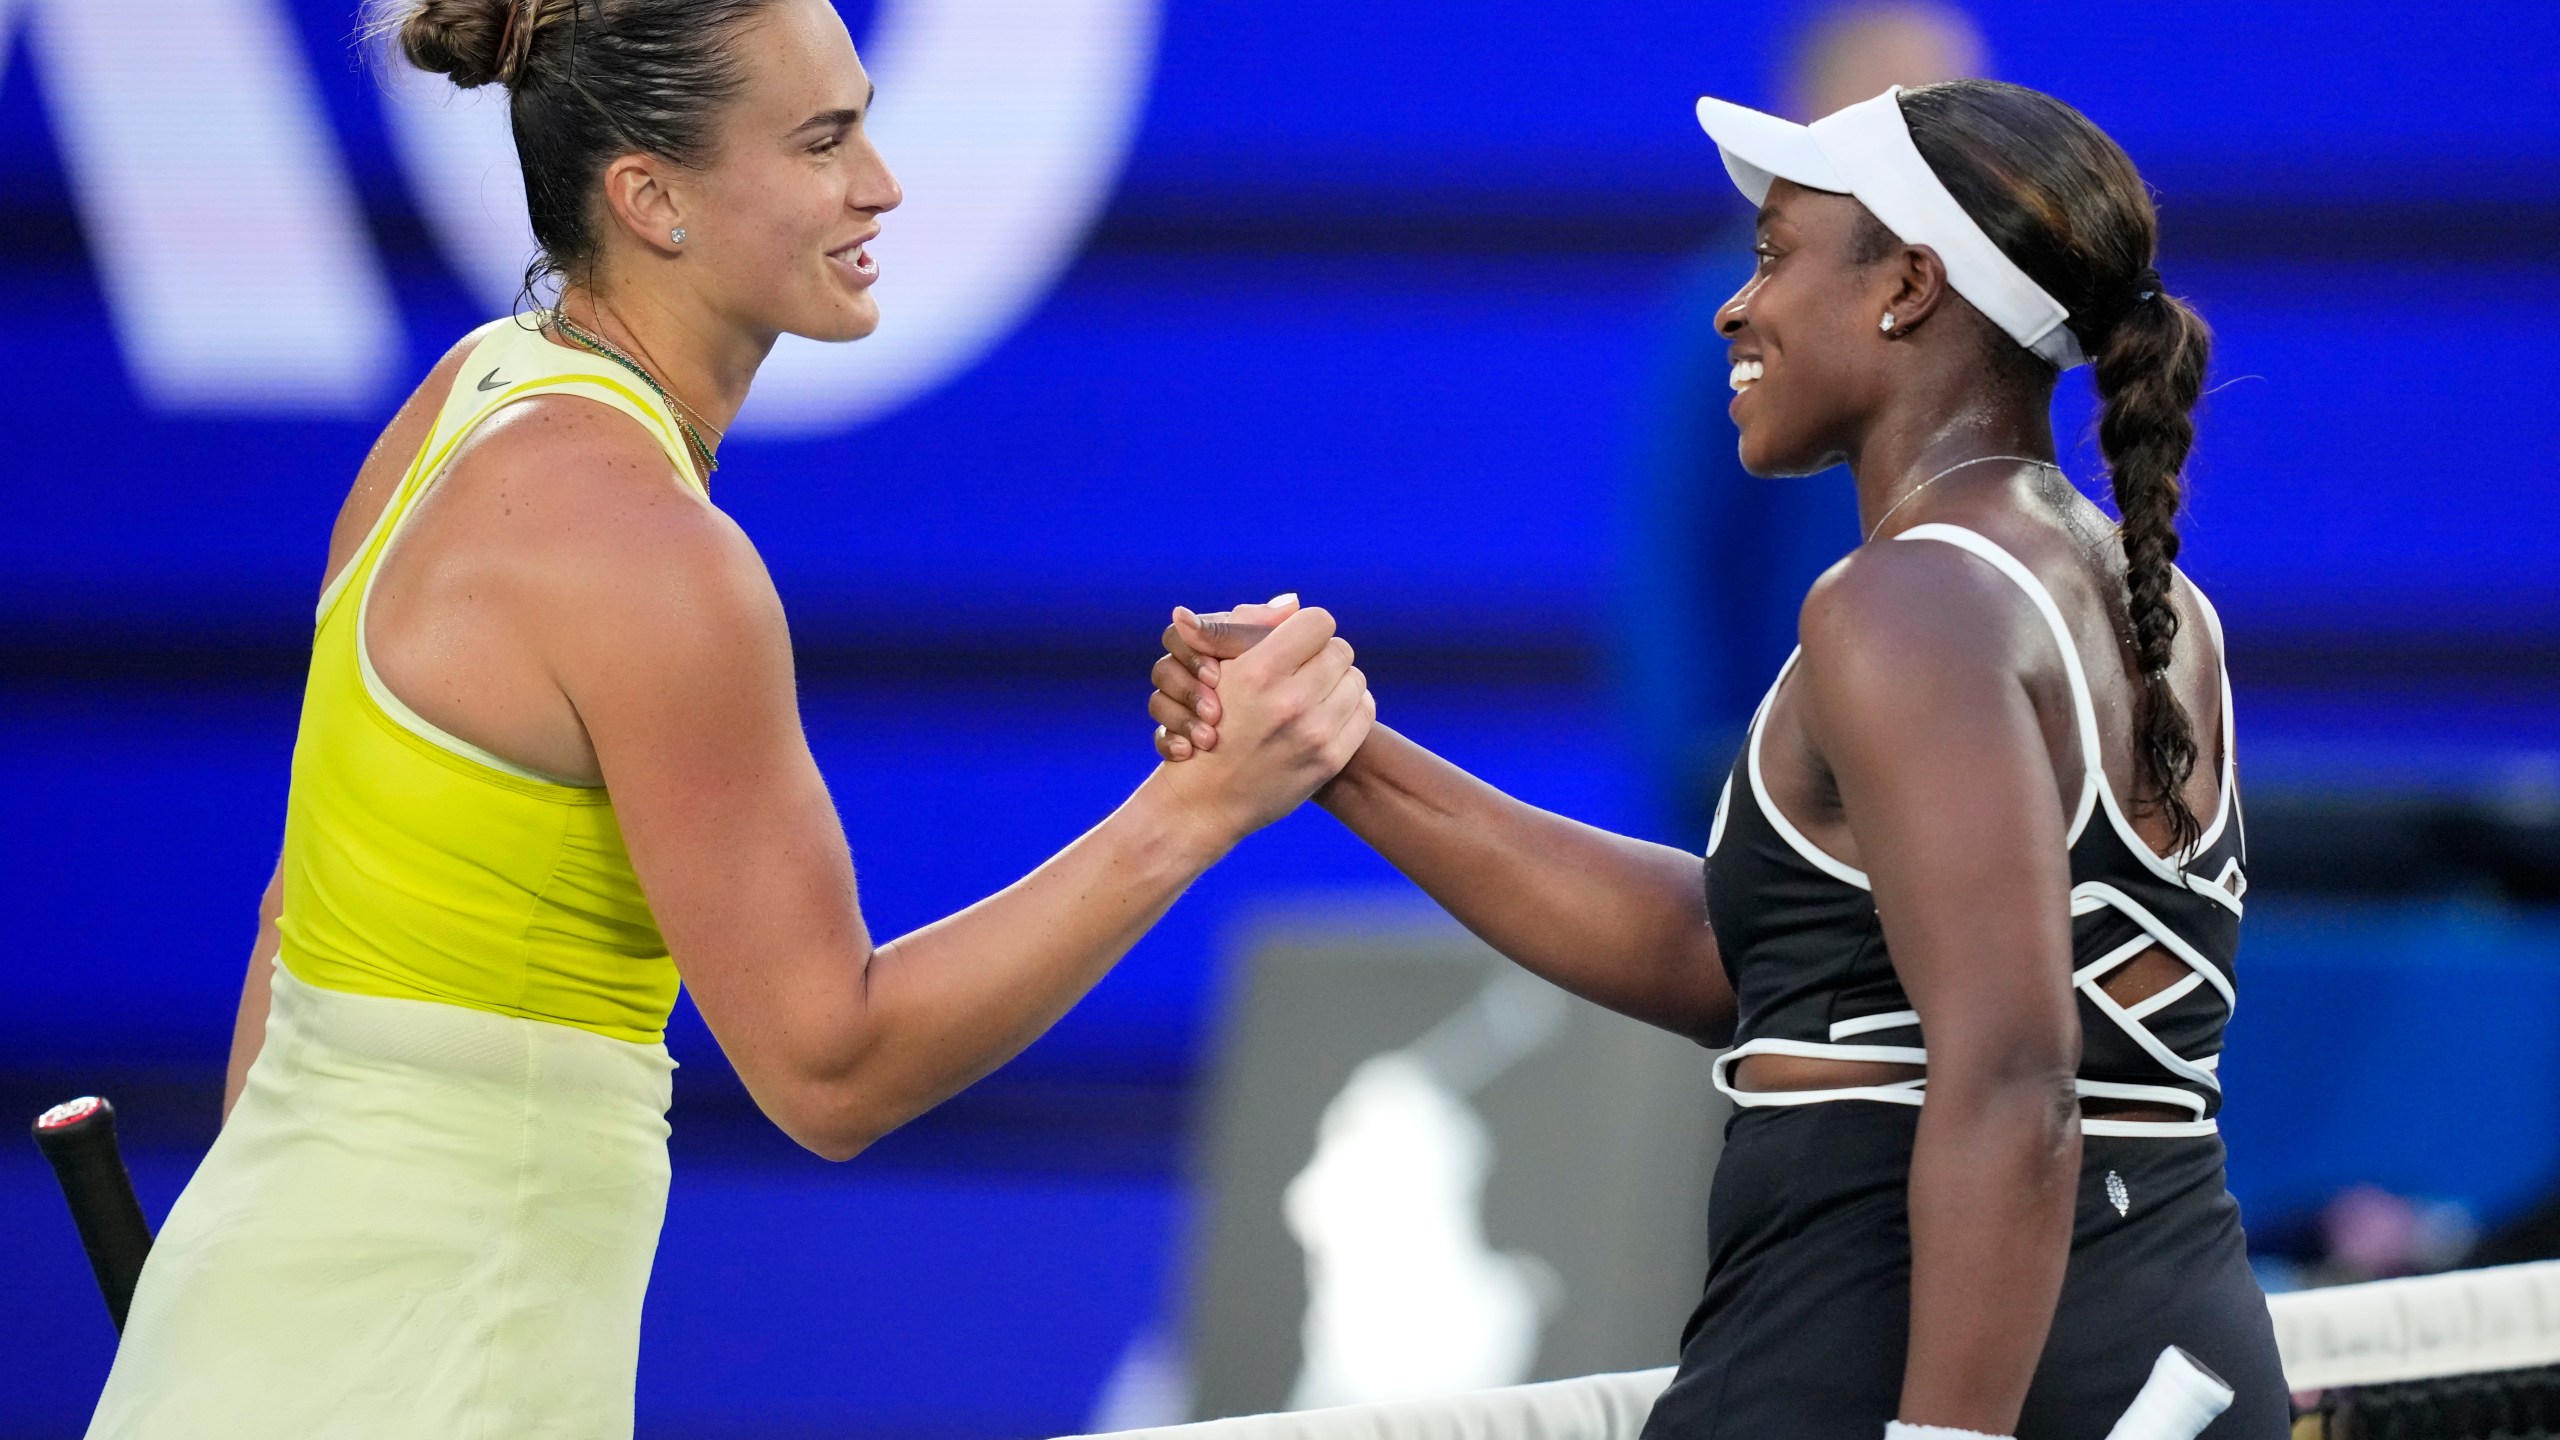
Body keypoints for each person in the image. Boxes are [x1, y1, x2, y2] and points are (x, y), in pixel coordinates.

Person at [85, 1, 1371, 1436]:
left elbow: (288, 928)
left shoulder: (462, 397)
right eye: (823, 141)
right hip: (428, 1374)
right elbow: (833, 1066)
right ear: (652, 198)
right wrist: (1196, 809)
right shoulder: (648, 552)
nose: (880, 182)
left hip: (246, 1321)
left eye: (864, 122)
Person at [1150, 80, 2286, 1439]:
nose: (1733, 309)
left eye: (1773, 255)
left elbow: (2014, 1083)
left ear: (1909, 287)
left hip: (1902, 1353)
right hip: (2173, 1357)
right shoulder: (2149, 605)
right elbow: (1756, 964)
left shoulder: (1902, 607)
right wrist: (1342, 756)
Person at [1619, 0, 1984, 844]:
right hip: (1782, 807)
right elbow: (1673, 568)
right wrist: (1714, 790)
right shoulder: (1732, 313)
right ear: (1808, 110)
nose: (1948, 128)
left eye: (1960, 96)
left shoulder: (1993, 316)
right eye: (1908, 99)